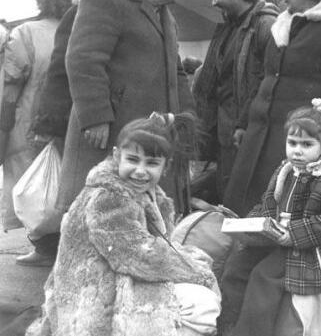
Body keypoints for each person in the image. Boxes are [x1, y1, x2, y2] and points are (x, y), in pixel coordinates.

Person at [27, 113, 219, 336]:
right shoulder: (109, 197)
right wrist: (195, 270)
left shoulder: (148, 194)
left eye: (152, 163)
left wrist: (187, 259)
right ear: (117, 157)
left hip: (118, 279)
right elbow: (135, 255)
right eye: (133, 160)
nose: (140, 170)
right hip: (92, 299)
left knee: (201, 295)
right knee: (201, 305)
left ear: (165, 167)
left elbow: (149, 247)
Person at [60, 0, 196, 218]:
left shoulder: (165, 15)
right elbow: (83, 58)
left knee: (140, 220)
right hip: (108, 135)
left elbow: (177, 71)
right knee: (98, 216)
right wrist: (96, 116)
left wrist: (186, 118)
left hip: (149, 135)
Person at [17, 0, 125, 266]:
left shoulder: (110, 6)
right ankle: (55, 252)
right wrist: (50, 126)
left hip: (95, 120)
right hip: (75, 123)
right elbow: (60, 74)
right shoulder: (83, 10)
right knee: (73, 195)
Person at [223, 0, 321, 216]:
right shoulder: (281, 25)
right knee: (242, 201)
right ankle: (241, 249)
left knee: (283, 206)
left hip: (298, 134)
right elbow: (264, 79)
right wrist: (243, 123)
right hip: (259, 131)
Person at [217, 100, 321, 335]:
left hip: (311, 247)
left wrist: (293, 234)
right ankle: (226, 325)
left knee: (265, 277)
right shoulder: (285, 171)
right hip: (278, 238)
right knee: (236, 267)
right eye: (292, 143)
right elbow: (268, 202)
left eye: (306, 144)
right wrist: (253, 223)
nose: (297, 150)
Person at [0, 0, 76, 254]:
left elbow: (12, 83)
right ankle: (57, 241)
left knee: (29, 183)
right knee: (58, 180)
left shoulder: (25, 33)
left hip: (27, 119)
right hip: (65, 120)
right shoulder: (74, 29)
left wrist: (4, 123)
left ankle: (41, 244)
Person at [192, 0, 278, 199]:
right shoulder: (231, 26)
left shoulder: (265, 25)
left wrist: (244, 122)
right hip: (225, 129)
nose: (213, 1)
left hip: (244, 128)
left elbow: (268, 79)